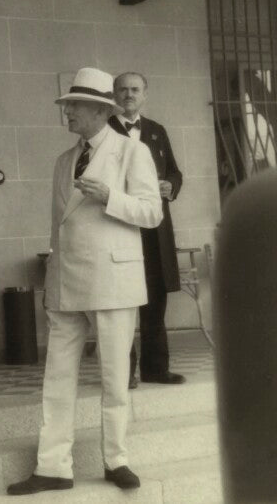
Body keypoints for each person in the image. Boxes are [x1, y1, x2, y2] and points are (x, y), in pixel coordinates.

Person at [7, 67, 162, 495]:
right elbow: (58, 229)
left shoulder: (132, 152)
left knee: (114, 377)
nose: (68, 113)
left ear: (98, 110)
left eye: (73, 106)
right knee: (57, 378)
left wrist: (109, 197)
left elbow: (152, 212)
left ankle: (117, 459)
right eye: (67, 106)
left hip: (113, 279)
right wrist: (50, 286)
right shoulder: (63, 162)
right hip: (69, 283)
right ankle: (53, 466)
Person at [110, 72, 185, 389]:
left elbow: (175, 172)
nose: (129, 95)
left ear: (145, 95)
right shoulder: (105, 131)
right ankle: (122, 373)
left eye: (135, 90)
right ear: (115, 95)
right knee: (123, 304)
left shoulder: (156, 131)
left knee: (155, 302)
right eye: (123, 90)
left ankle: (156, 369)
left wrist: (171, 185)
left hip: (155, 230)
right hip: (122, 227)